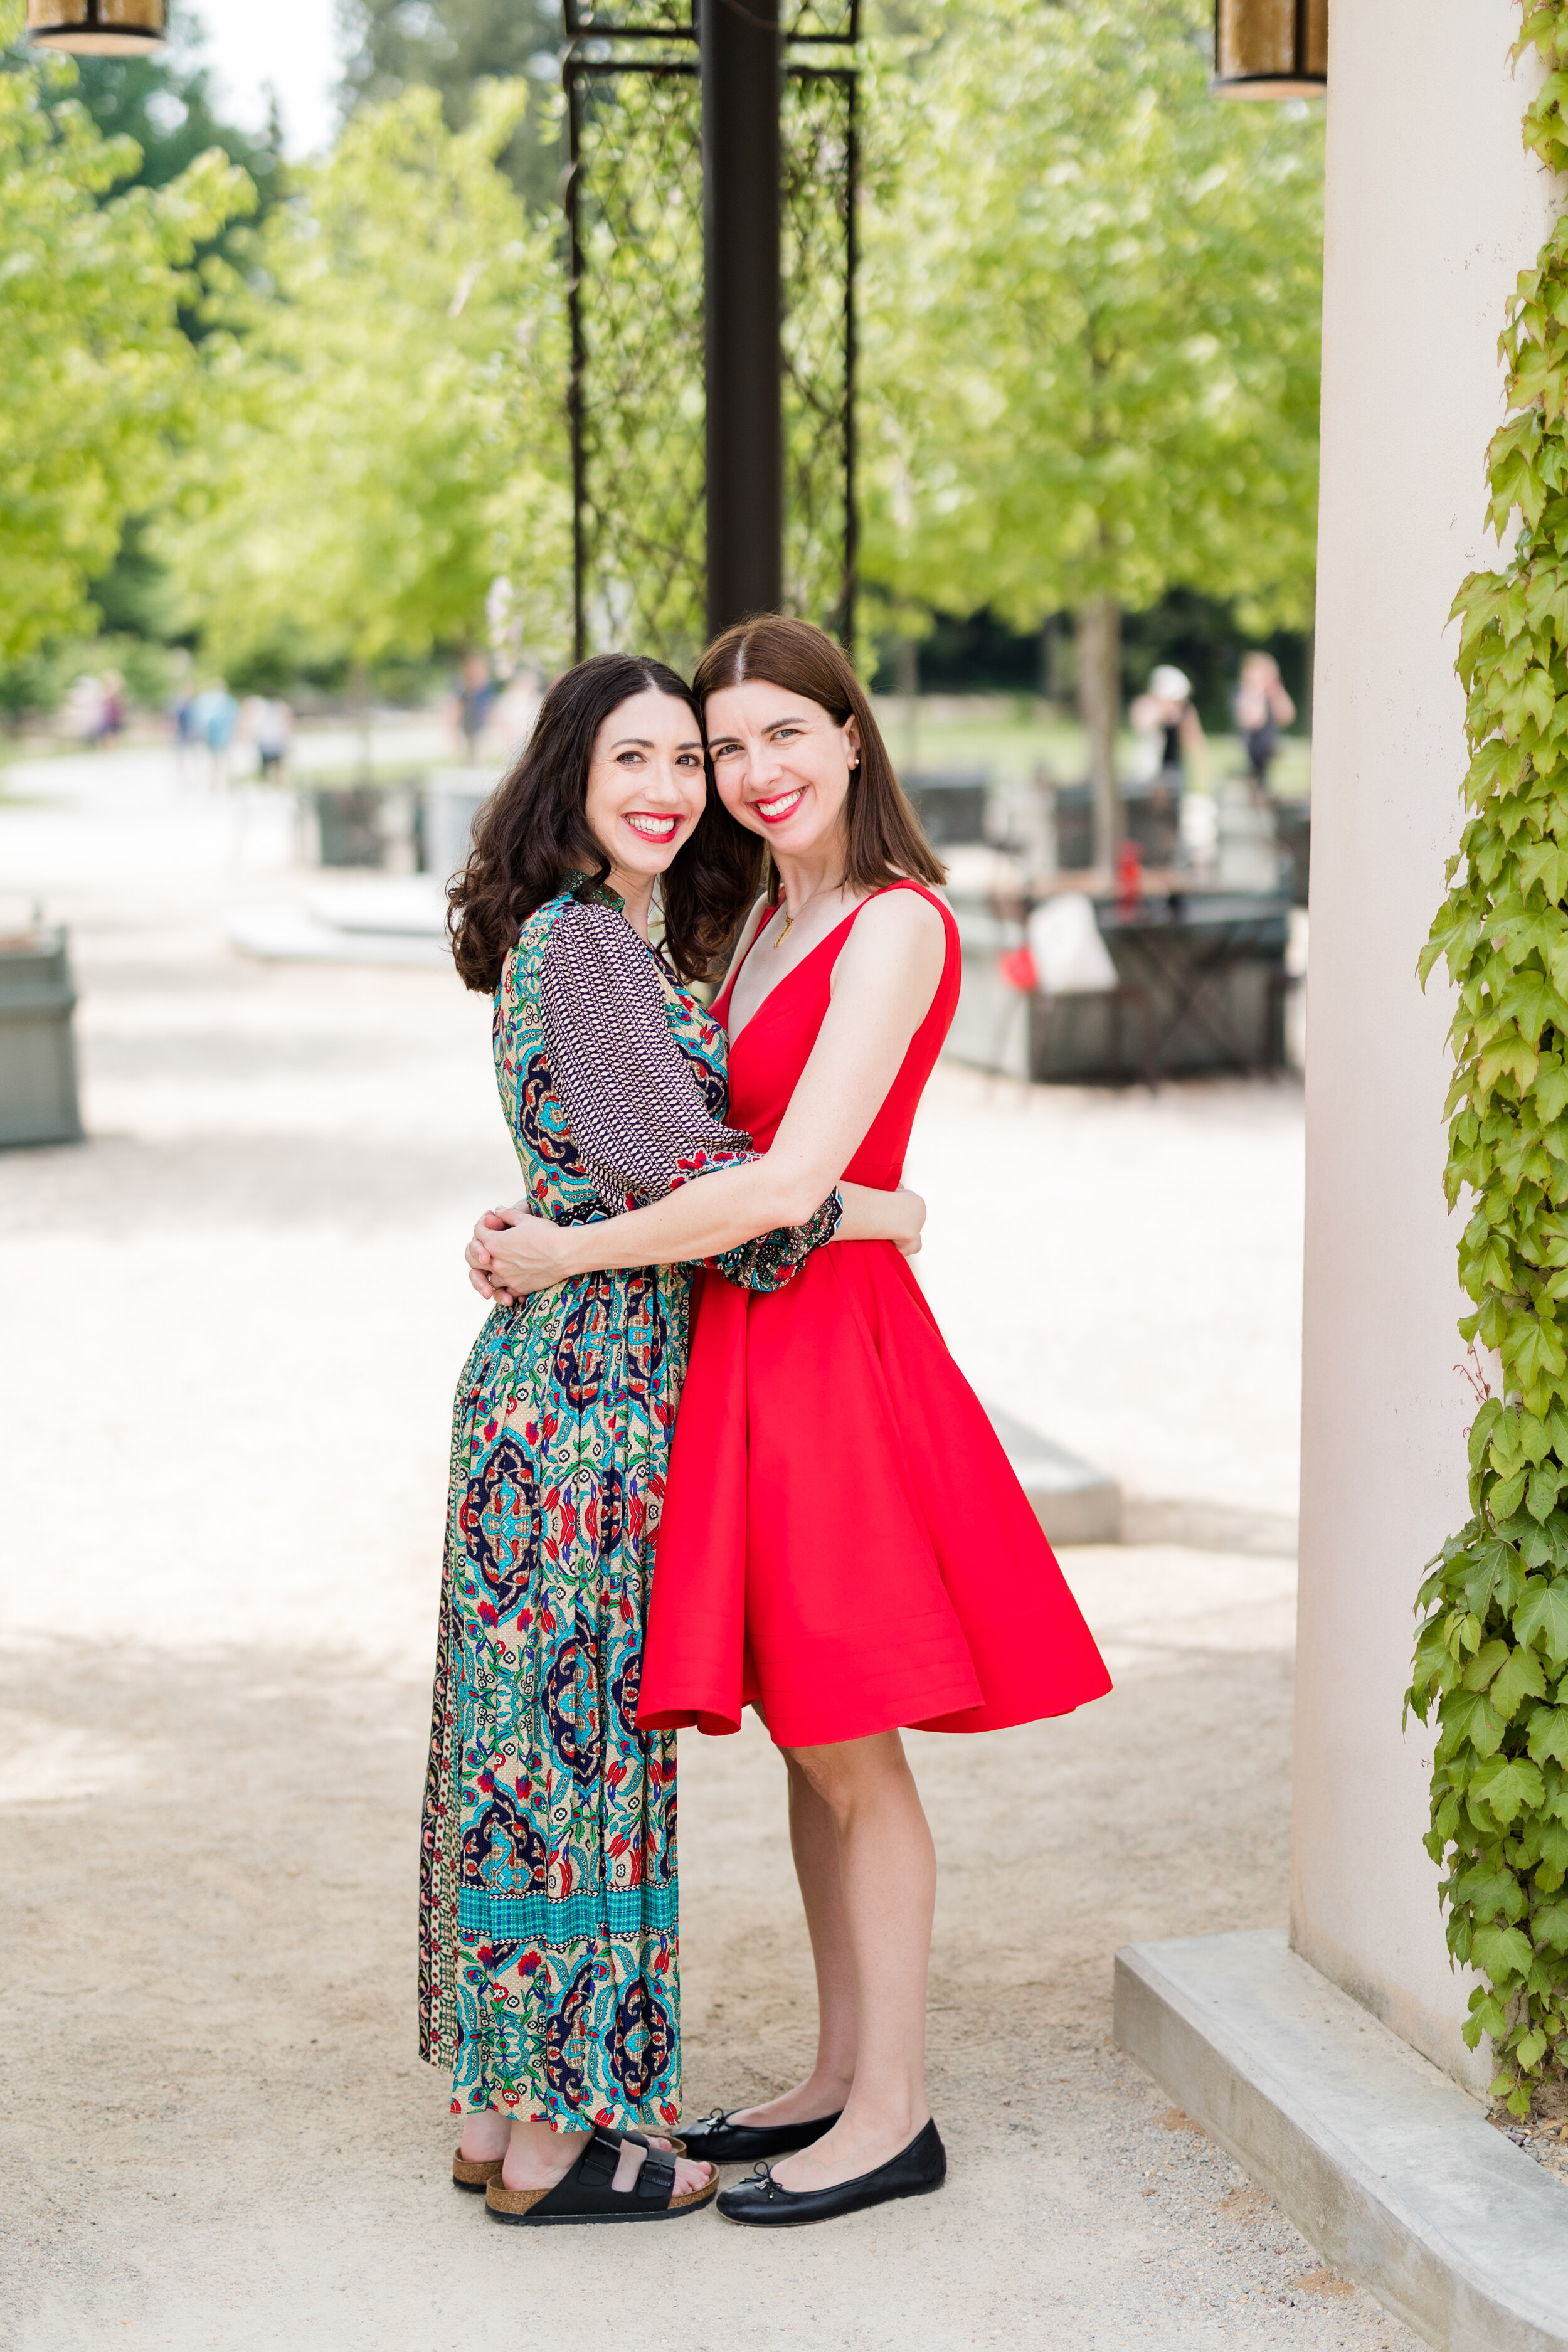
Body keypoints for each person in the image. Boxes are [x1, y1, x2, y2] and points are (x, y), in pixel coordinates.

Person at [469, 615, 1113, 2229]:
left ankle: (893, 2108)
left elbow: (773, 1181)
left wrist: (569, 1248)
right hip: (749, 1339)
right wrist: (884, 1209)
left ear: (850, 736)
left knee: (851, 1739)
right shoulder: (754, 921)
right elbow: (728, 1151)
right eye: (718, 745)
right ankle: (835, 2071)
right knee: (812, 1746)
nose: (749, 774)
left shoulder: (893, 922)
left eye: (777, 737)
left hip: (825, 1355)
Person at [426, 651, 923, 2228]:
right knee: (576, 1761)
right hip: (591, 1390)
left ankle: (506, 2120)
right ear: (571, 774)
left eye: (685, 761)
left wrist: (579, 1227)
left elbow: (662, 1174)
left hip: (567, 1380)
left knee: (531, 1750)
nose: (668, 787)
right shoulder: (590, 949)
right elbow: (697, 1191)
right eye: (633, 756)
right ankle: (570, 2145)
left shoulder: (606, 936)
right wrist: (878, 1209)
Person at [1129, 664, 1205, 867]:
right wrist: (1162, 709)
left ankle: (1169, 860)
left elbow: (1195, 741)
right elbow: (1143, 724)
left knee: (1172, 820)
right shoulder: (1147, 705)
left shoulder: (1185, 711)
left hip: (1174, 772)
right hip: (1151, 774)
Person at [1232, 650, 1296, 799]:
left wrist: (1277, 690)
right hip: (1251, 751)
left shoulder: (1272, 694)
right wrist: (1258, 692)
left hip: (1268, 750)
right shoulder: (1246, 695)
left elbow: (1287, 716)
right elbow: (1254, 720)